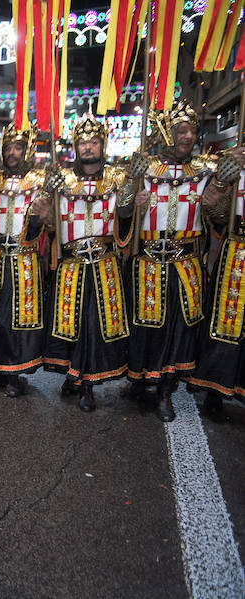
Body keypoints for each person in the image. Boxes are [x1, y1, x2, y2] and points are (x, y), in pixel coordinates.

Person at [125, 99, 234, 422]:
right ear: (166, 133)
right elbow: (121, 213)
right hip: (146, 262)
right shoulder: (143, 168)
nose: (188, 136)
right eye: (181, 130)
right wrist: (134, 198)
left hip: (185, 265)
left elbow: (218, 218)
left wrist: (220, 193)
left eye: (192, 130)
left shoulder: (206, 171)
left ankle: (165, 388)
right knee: (146, 327)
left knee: (178, 328)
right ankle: (142, 378)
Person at [32, 114, 136, 412]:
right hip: (71, 265)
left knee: (95, 326)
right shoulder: (60, 178)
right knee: (70, 326)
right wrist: (42, 207)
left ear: (102, 144)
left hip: (105, 266)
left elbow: (127, 220)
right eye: (83, 142)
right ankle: (74, 375)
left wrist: (132, 190)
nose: (88, 147)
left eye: (93, 142)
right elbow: (46, 223)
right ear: (75, 146)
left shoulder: (118, 177)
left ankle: (86, 384)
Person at [0, 122, 47, 397]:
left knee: (16, 317)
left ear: (26, 150)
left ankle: (14, 372)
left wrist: (42, 214)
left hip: (22, 256)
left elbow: (44, 223)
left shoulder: (38, 180)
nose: (12, 153)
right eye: (8, 147)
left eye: (18, 147)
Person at [187, 146, 245, 419]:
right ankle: (215, 388)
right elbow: (214, 212)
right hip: (237, 250)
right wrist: (224, 180)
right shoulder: (234, 165)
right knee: (225, 322)